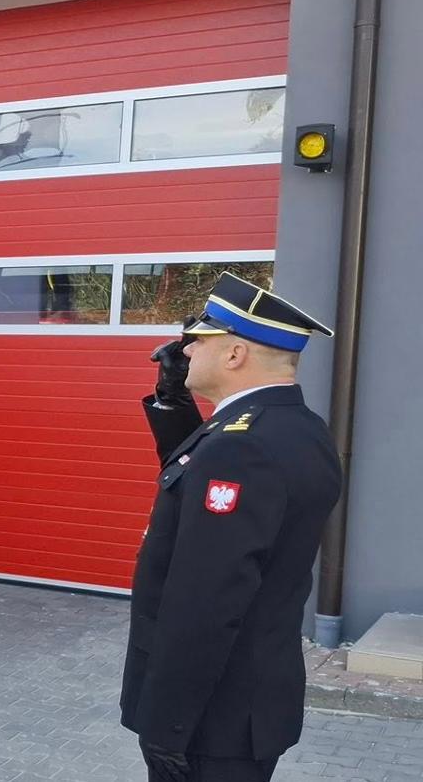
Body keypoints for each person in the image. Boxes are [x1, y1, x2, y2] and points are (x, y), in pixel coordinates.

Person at [122, 273, 341, 782]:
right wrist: (175, 404)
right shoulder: (291, 427)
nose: (186, 350)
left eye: (199, 340)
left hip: (209, 721)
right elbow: (200, 478)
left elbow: (208, 598)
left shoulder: (242, 446)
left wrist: (168, 726)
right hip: (245, 703)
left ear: (235, 354)